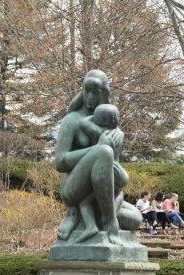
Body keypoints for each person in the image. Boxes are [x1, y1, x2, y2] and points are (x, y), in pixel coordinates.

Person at [55, 70, 141, 244]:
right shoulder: (72, 120)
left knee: (136, 219)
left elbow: (114, 173)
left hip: (102, 195)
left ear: (105, 93)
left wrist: (121, 176)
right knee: (103, 152)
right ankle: (110, 224)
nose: (90, 96)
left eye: (96, 92)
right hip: (74, 191)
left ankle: (95, 218)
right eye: (86, 90)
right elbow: (60, 162)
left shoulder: (110, 125)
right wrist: (97, 149)